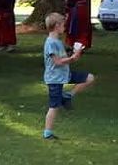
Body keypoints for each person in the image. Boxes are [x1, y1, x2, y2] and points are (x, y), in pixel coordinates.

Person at [40, 12, 94, 140]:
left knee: (89, 78)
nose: (65, 27)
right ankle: (47, 132)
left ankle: (68, 96)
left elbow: (63, 57)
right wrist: (72, 58)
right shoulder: (51, 43)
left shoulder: (57, 42)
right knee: (54, 106)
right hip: (54, 79)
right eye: (63, 25)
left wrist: (76, 52)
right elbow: (57, 62)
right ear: (57, 26)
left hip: (65, 75)